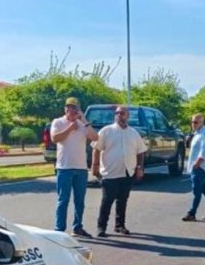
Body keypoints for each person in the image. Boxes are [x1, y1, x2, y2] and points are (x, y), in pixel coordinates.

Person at [91, 106, 147, 237]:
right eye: (117, 113)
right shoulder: (106, 131)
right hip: (110, 172)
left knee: (122, 200)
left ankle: (120, 225)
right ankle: (101, 227)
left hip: (128, 172)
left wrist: (139, 167)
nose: (119, 115)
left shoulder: (133, 133)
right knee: (107, 200)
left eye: (122, 113)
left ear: (128, 116)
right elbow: (96, 148)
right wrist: (94, 165)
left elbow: (140, 152)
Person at [50, 97, 98, 238]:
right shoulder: (58, 122)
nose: (71, 110)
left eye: (74, 108)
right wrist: (70, 128)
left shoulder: (83, 125)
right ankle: (59, 230)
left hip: (81, 168)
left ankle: (78, 227)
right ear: (65, 109)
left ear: (78, 110)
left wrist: (84, 121)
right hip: (64, 167)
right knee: (63, 199)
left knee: (80, 201)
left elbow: (95, 137)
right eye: (68, 107)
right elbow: (55, 138)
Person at [181, 113, 205, 222]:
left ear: (202, 122)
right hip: (198, 166)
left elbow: (204, 152)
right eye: (192, 122)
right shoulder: (197, 133)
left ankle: (192, 213)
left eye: (196, 122)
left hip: (200, 167)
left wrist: (197, 165)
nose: (193, 124)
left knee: (196, 191)